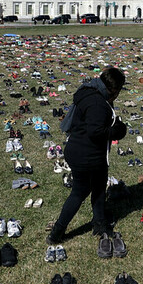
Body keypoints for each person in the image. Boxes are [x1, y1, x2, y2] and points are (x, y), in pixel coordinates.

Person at [47, 67, 128, 244]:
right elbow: (96, 132)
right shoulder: (98, 103)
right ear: (114, 89)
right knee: (79, 192)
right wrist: (118, 130)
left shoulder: (89, 90)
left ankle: (99, 223)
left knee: (99, 189)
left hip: (81, 149)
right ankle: (57, 232)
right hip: (87, 154)